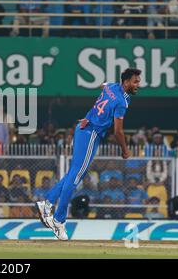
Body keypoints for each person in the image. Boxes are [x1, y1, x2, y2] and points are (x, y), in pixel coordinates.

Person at [36, 68, 141, 240]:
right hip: (91, 133)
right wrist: (125, 149)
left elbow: (103, 86)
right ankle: (58, 219)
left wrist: (95, 113)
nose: (138, 85)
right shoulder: (121, 102)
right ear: (126, 82)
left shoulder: (112, 87)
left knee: (73, 173)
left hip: (84, 128)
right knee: (76, 176)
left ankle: (46, 203)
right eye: (135, 81)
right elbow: (118, 131)